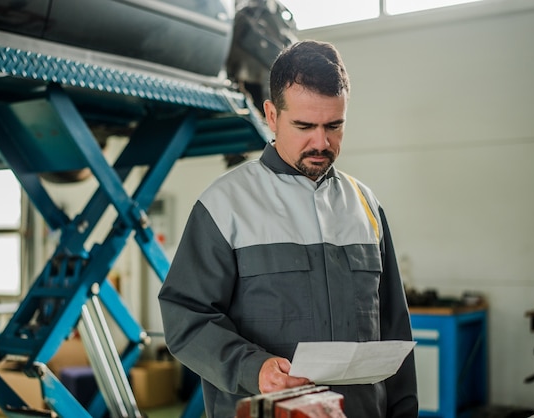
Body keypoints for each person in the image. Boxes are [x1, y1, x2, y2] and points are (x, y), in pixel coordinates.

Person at [158, 40, 418, 418]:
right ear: (271, 114)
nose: (321, 142)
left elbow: (394, 329)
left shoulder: (366, 206)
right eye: (304, 126)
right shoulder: (225, 204)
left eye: (334, 125)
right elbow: (186, 318)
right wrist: (254, 368)